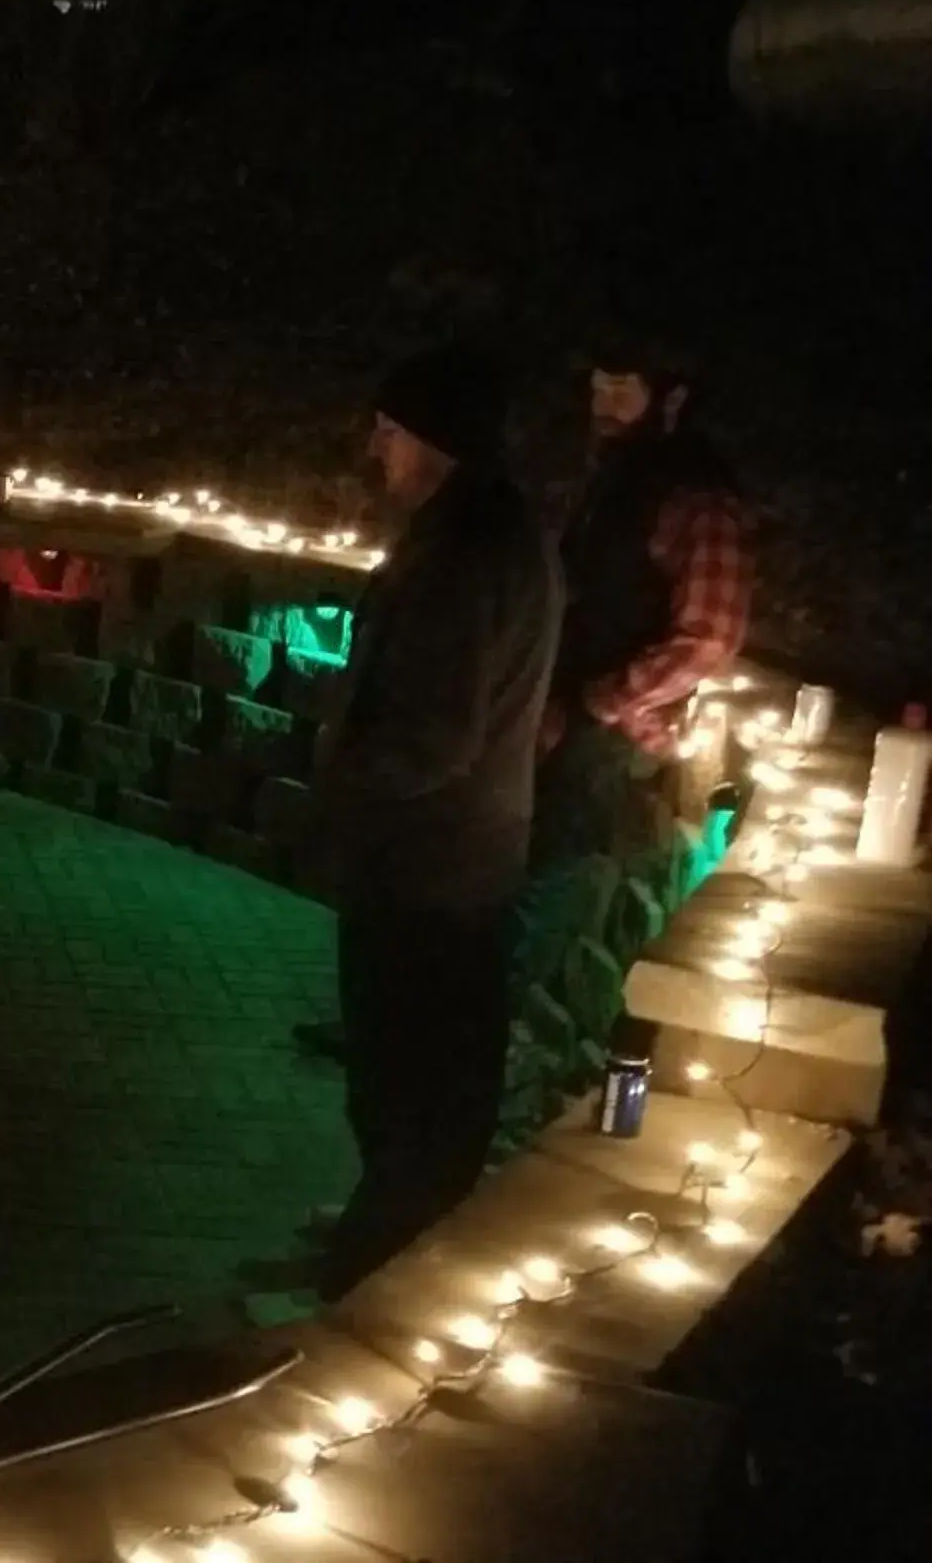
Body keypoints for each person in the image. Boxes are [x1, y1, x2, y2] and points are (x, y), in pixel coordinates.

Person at [309, 345, 561, 1300]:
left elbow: (431, 737)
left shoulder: (463, 553)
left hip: (425, 872)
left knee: (410, 1086)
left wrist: (336, 774)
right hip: (460, 864)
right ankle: (391, 1244)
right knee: (426, 1085)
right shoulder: (491, 531)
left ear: (435, 439)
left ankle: (377, 1284)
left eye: (389, 428)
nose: (374, 446)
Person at [535, 333, 751, 871]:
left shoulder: (697, 497)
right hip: (564, 717)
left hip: (618, 740)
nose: (602, 405)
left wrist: (598, 703)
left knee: (566, 883)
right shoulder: (614, 479)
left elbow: (710, 638)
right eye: (597, 389)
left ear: (670, 400)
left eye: (620, 390)